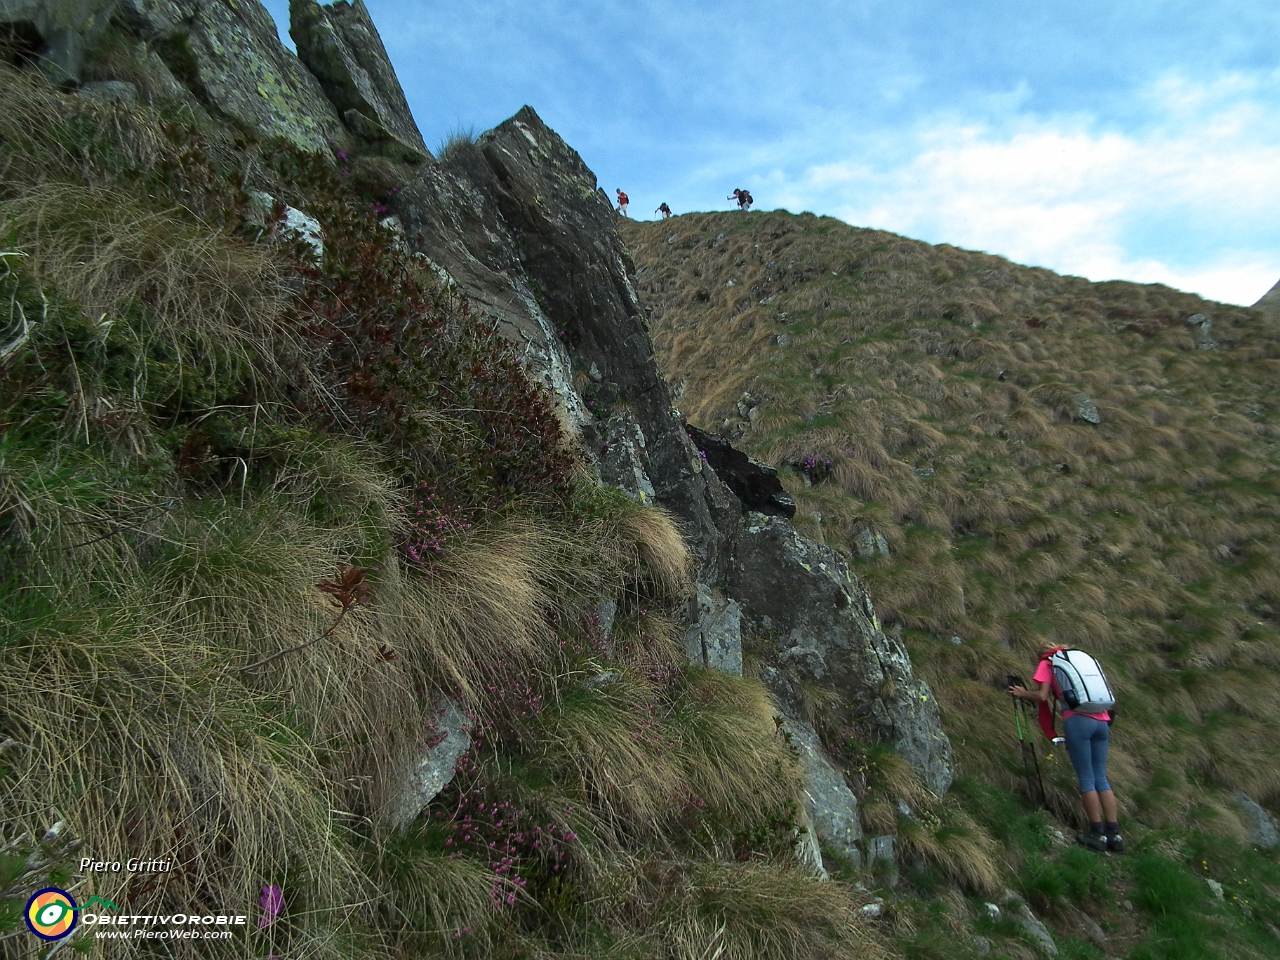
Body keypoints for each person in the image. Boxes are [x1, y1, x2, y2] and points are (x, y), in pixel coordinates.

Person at [1009, 646, 1123, 853]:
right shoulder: (1080, 659)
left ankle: (1097, 834)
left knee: (1087, 780)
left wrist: (1022, 693)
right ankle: (1115, 835)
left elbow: (1043, 696)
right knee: (1101, 779)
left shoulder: (1048, 663)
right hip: (1102, 721)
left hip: (1078, 721)